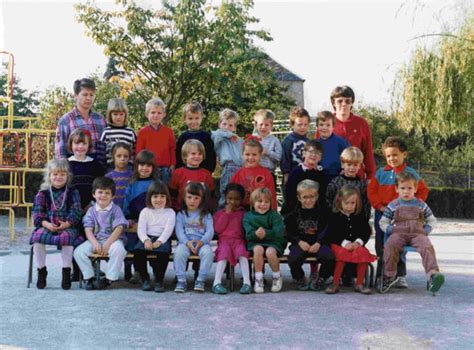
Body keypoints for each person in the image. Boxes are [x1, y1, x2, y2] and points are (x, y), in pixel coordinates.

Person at [368, 136, 429, 288]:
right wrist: (379, 206)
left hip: (403, 217)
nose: (392, 158)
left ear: (404, 154)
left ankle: (400, 275)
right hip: (382, 214)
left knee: (399, 244)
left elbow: (422, 190)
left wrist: (412, 206)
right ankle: (383, 275)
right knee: (382, 245)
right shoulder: (380, 173)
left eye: (395, 154)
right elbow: (371, 191)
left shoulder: (411, 173)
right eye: (388, 156)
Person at [379, 171, 444, 294]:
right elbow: (383, 222)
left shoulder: (421, 205)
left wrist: (426, 230)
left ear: (415, 189)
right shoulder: (393, 205)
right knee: (390, 245)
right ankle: (389, 275)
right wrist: (390, 229)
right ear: (396, 189)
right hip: (398, 233)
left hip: (418, 234)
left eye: (410, 188)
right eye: (402, 188)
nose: (406, 191)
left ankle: (433, 275)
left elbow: (432, 220)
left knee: (427, 247)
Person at [30, 159, 83, 290]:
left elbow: (76, 210)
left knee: (66, 239)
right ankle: (41, 271)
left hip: (67, 226)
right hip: (47, 225)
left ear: (67, 176)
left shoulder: (72, 192)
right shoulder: (43, 193)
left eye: (62, 174)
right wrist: (46, 224)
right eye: (55, 174)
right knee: (37, 238)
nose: (58, 177)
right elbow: (37, 212)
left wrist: (68, 223)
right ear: (49, 176)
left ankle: (66, 272)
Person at [73, 177, 128, 290]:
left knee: (119, 250)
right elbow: (88, 229)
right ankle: (89, 277)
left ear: (113, 196)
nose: (103, 195)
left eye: (107, 193)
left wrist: (107, 244)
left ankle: (109, 278)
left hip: (113, 240)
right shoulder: (91, 211)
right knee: (78, 252)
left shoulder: (116, 209)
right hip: (96, 239)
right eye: (100, 192)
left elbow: (119, 228)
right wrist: (94, 244)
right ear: (94, 194)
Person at [325, 185, 376, 295]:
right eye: (346, 203)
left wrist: (358, 242)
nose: (349, 206)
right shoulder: (335, 216)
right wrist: (345, 243)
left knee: (362, 253)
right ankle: (335, 283)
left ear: (357, 202)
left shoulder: (360, 215)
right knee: (342, 254)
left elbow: (366, 231)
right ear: (340, 202)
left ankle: (359, 283)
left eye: (352, 203)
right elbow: (331, 234)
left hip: (355, 244)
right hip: (338, 244)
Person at [284, 180, 334, 291]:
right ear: (299, 197)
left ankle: (322, 278)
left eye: (311, 197)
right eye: (305, 197)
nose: (308, 200)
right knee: (293, 258)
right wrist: (299, 241)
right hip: (301, 243)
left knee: (329, 256)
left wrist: (319, 243)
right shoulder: (293, 214)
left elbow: (327, 230)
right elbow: (289, 231)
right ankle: (299, 277)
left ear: (317, 196)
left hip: (318, 243)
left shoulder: (323, 212)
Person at [323, 85, 376, 180]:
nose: (344, 104)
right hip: (331, 177)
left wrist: (371, 177)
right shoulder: (325, 123)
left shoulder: (361, 123)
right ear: (333, 103)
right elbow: (319, 151)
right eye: (340, 101)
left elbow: (368, 153)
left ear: (352, 103)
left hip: (357, 178)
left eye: (348, 101)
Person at [123, 150, 159, 282]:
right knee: (134, 245)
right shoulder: (132, 184)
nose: (144, 168)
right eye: (141, 165)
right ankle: (138, 271)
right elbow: (126, 201)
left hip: (153, 222)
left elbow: (161, 202)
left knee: (154, 245)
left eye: (148, 166)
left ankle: (156, 271)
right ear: (136, 166)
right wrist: (128, 217)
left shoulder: (156, 184)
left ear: (153, 168)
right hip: (135, 221)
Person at [133, 181, 175, 292]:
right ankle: (145, 279)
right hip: (147, 237)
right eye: (155, 196)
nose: (159, 199)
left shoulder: (170, 212)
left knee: (163, 254)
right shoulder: (145, 211)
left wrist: (160, 241)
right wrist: (146, 240)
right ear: (149, 198)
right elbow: (141, 229)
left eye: (162, 196)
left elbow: (168, 230)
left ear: (167, 198)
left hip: (162, 238)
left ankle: (159, 280)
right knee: (138, 252)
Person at [173, 182, 215, 293]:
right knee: (179, 253)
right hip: (185, 242)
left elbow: (210, 231)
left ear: (202, 199)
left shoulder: (206, 215)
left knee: (208, 253)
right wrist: (187, 242)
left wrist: (202, 242)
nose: (192, 201)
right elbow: (179, 231)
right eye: (189, 197)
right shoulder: (181, 214)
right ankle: (181, 280)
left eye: (196, 198)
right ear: (184, 197)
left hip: (202, 242)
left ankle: (200, 279)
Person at [243, 188, 286, 293]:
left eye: (267, 202)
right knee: (258, 249)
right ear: (253, 203)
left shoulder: (274, 215)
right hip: (255, 242)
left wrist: (266, 233)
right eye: (260, 201)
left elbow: (279, 232)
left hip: (274, 242)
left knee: (270, 252)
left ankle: (277, 276)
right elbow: (248, 234)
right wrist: (255, 234)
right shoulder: (248, 216)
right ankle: (258, 278)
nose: (263, 204)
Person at [55, 78, 106, 164]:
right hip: (74, 168)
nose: (89, 98)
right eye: (85, 95)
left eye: (91, 95)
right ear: (75, 95)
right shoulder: (66, 120)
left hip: (97, 169)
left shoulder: (100, 119)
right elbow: (60, 153)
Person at [212, 183, 251, 295]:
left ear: (242, 199)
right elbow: (218, 229)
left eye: (237, 199)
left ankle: (247, 283)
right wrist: (227, 214)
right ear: (225, 197)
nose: (233, 202)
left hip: (238, 241)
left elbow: (245, 230)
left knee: (242, 254)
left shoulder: (243, 213)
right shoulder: (220, 213)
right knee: (223, 254)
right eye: (230, 198)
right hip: (224, 241)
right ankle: (217, 282)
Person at [136, 98, 175, 184]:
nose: (156, 115)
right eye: (153, 112)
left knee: (164, 191)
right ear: (147, 114)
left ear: (164, 114)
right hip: (149, 168)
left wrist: (173, 164)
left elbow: (172, 148)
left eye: (159, 113)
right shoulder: (142, 132)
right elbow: (139, 152)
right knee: (151, 192)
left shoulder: (168, 131)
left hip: (166, 168)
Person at [230, 137, 277, 210]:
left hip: (261, 210)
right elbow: (231, 194)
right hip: (242, 211)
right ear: (242, 155)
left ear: (260, 155)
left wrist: (273, 213)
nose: (251, 157)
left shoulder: (266, 174)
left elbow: (272, 195)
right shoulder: (238, 174)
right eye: (247, 154)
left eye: (254, 154)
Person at [169, 139, 215, 211]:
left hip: (201, 211)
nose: (197, 156)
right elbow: (173, 194)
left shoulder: (206, 174)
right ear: (185, 156)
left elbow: (211, 194)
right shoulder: (178, 173)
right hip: (182, 210)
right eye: (193, 153)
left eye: (200, 154)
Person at [326, 147, 370, 219]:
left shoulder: (362, 185)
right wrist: (332, 216)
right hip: (337, 219)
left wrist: (365, 220)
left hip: (356, 220)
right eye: (349, 164)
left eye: (355, 165)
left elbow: (366, 204)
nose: (352, 168)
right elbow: (328, 200)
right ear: (342, 164)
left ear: (359, 166)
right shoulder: (335, 182)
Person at [283, 139, 325, 215]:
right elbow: (290, 195)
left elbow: (323, 196)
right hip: (298, 213)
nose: (314, 155)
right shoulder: (296, 172)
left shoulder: (321, 173)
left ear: (320, 157)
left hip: (317, 213)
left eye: (317, 153)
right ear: (304, 153)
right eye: (311, 152)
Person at [211, 108, 243, 207]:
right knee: (226, 190)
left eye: (230, 125)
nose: (227, 127)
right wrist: (229, 135)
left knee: (238, 192)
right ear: (219, 124)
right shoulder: (218, 135)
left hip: (241, 168)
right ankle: (222, 210)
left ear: (234, 128)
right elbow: (216, 135)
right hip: (229, 167)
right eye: (224, 124)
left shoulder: (238, 139)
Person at [67, 129, 105, 211]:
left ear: (89, 145)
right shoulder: (65, 164)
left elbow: (100, 186)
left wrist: (92, 203)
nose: (80, 147)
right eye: (77, 143)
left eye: (84, 143)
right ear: (71, 145)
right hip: (70, 208)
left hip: (91, 208)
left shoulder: (95, 165)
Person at [175, 101, 216, 173]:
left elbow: (211, 156)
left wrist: (208, 171)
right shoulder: (183, 137)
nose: (194, 121)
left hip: (203, 173)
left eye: (197, 118)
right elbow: (178, 156)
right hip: (186, 172)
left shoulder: (206, 136)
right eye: (190, 118)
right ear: (185, 119)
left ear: (201, 118)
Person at [99, 98, 137, 169]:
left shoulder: (130, 132)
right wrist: (102, 166)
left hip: (128, 166)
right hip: (110, 166)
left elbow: (135, 151)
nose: (118, 117)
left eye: (121, 114)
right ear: (110, 115)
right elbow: (101, 152)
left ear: (125, 115)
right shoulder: (106, 132)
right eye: (115, 114)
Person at [314, 110, 350, 184]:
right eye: (321, 125)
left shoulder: (340, 142)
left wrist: (345, 169)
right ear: (317, 127)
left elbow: (350, 155)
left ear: (333, 127)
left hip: (337, 176)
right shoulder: (315, 144)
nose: (324, 127)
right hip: (320, 176)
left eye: (328, 125)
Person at [280, 106, 310, 185]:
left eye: (305, 124)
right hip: (292, 175)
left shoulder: (309, 142)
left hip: (306, 176)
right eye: (299, 125)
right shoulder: (288, 141)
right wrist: (286, 174)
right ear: (292, 125)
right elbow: (284, 158)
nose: (303, 127)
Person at [252, 109, 282, 187]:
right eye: (261, 124)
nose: (263, 127)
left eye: (266, 125)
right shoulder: (252, 139)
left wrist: (268, 152)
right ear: (255, 125)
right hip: (253, 172)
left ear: (271, 126)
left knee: (269, 196)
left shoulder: (274, 141)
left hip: (269, 173)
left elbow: (278, 158)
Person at [105, 142, 133, 209]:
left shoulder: (133, 176)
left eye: (125, 156)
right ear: (113, 157)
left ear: (129, 158)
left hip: (129, 213)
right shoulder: (108, 177)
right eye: (119, 156)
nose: (122, 159)